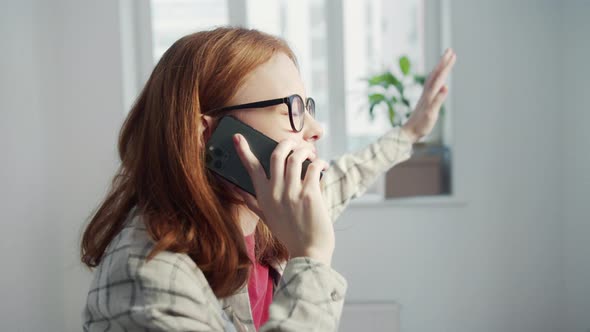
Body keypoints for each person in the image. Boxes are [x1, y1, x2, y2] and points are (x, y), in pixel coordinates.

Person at [81, 27, 456, 331]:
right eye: (290, 109)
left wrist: (411, 131)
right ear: (207, 136)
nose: (316, 129)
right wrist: (311, 259)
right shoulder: (150, 279)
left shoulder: (265, 211)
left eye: (307, 106)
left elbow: (347, 176)